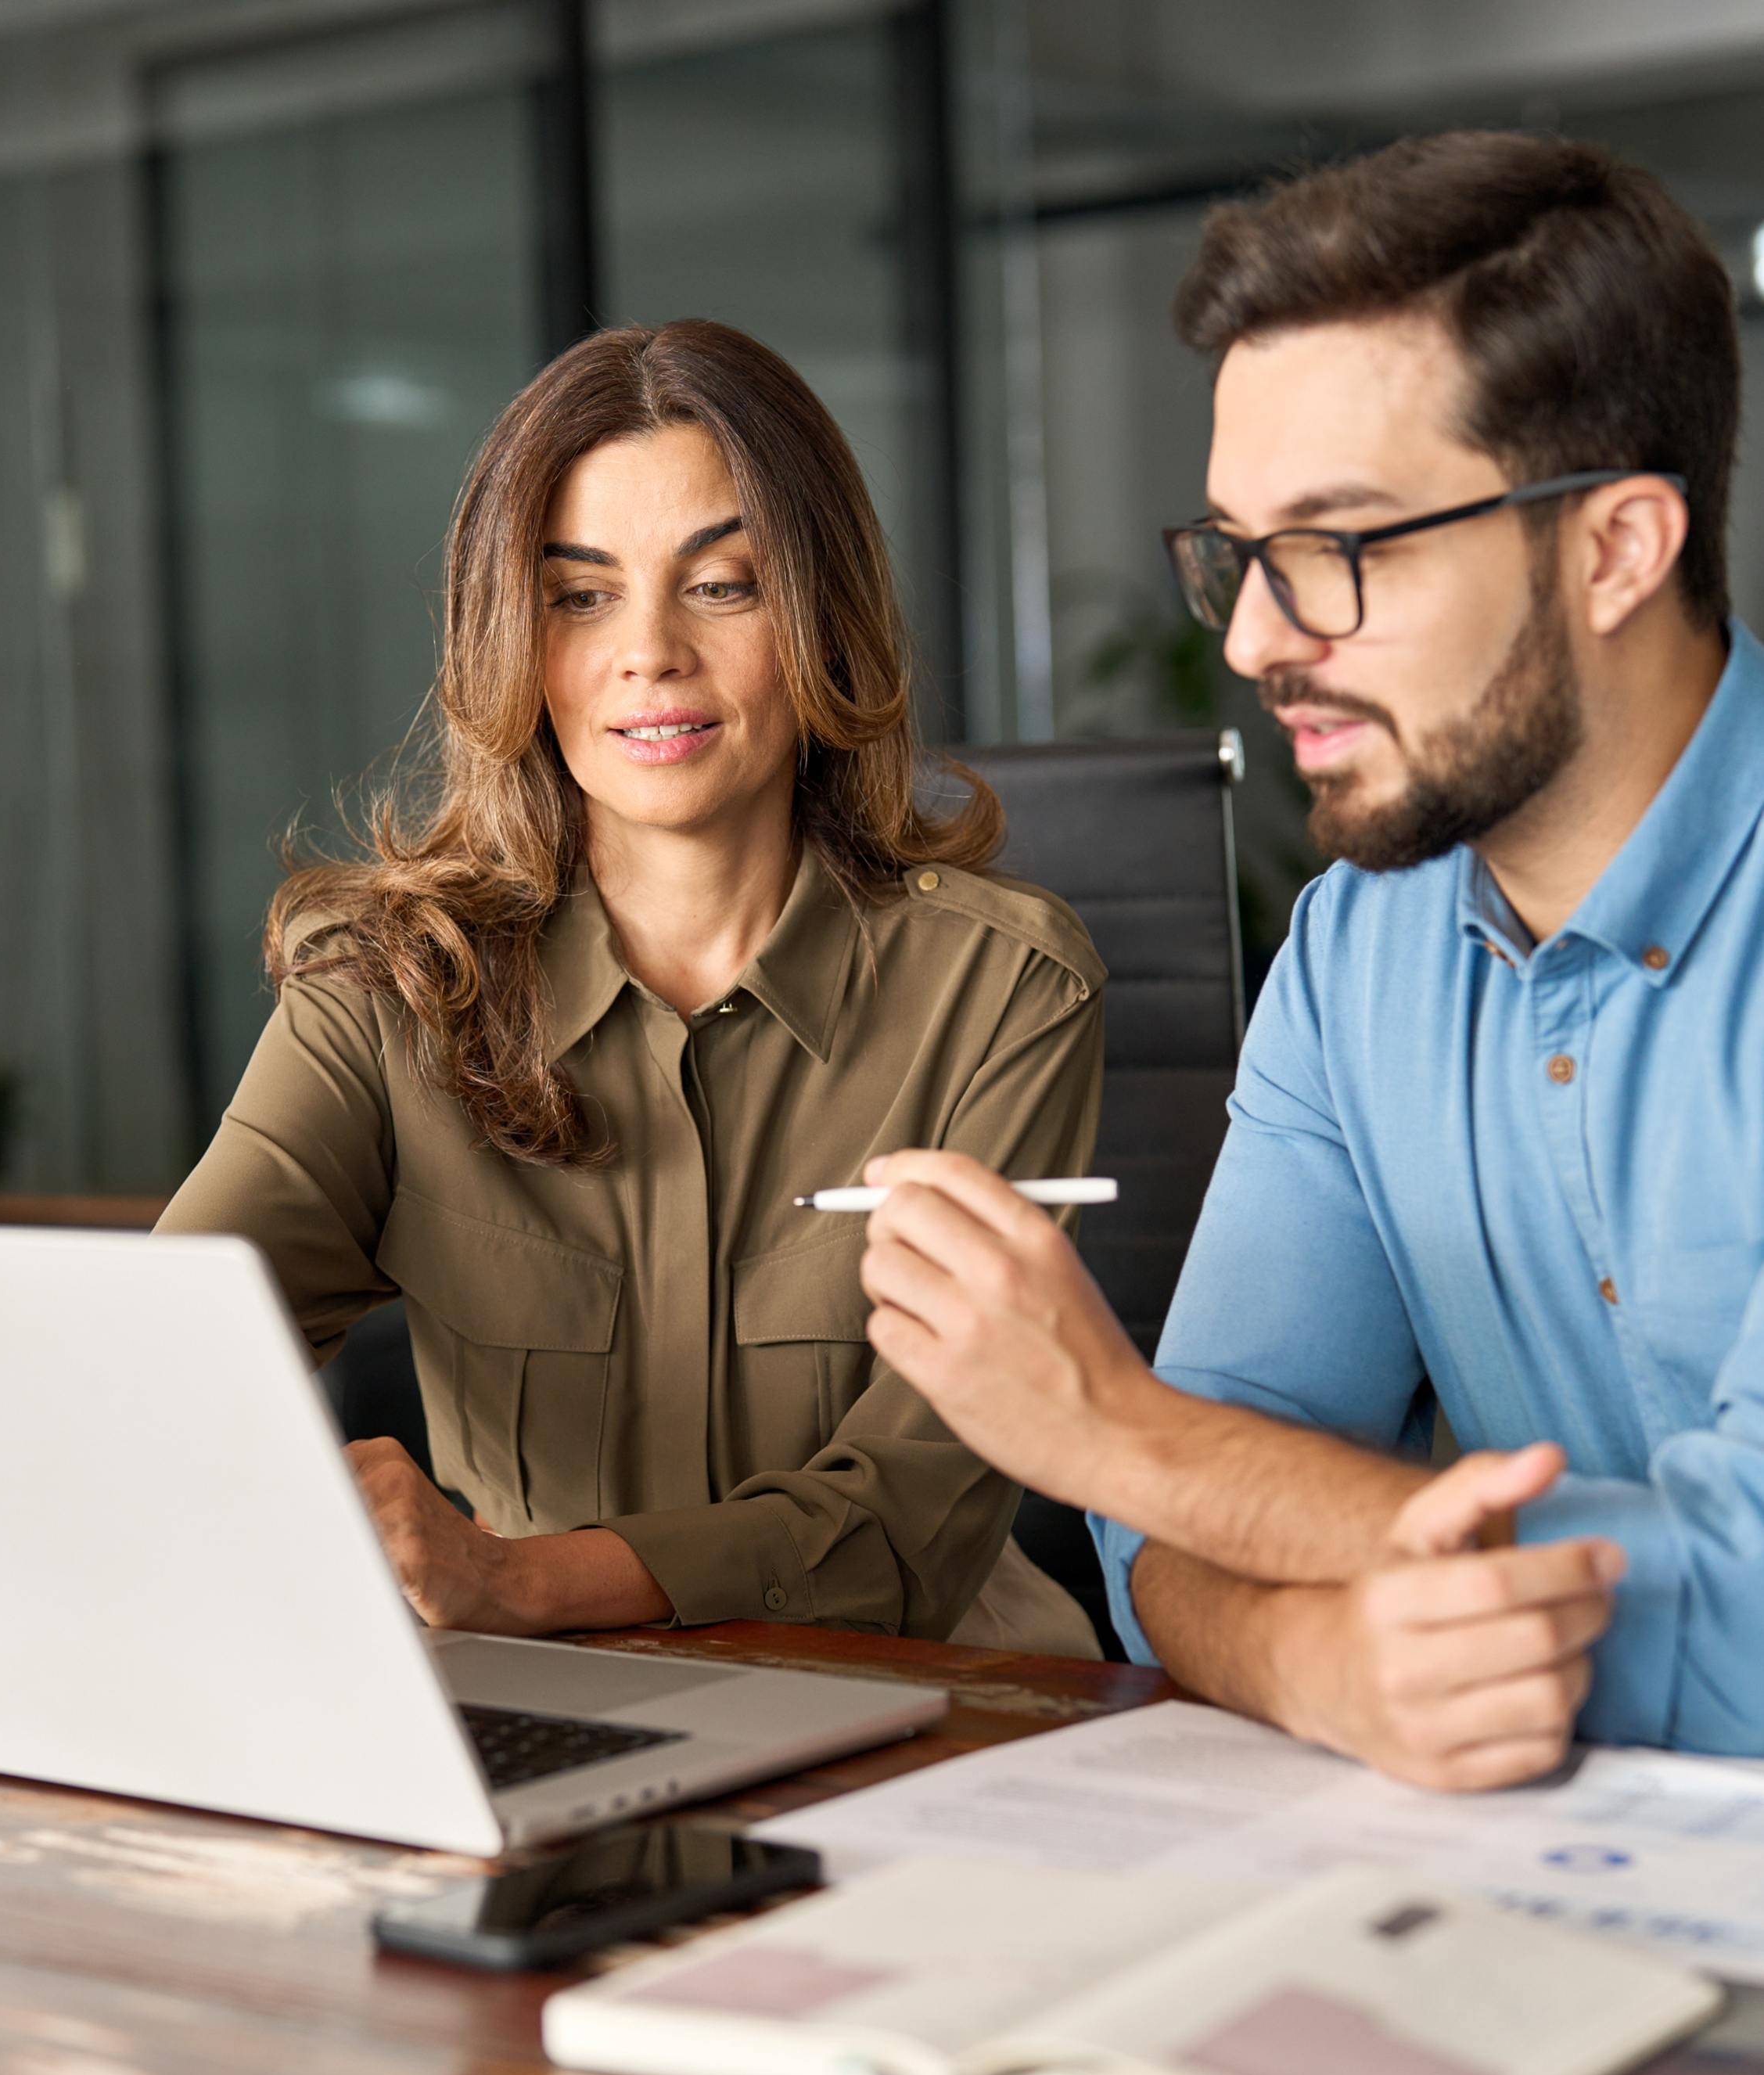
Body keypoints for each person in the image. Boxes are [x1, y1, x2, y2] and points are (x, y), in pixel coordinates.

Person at [855, 130, 1764, 1788]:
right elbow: (1176, 1535)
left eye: (1342, 548)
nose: (1259, 639)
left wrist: (1118, 1433)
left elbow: (1755, 1611)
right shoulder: (1364, 944)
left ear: (1618, 549)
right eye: (1235, 553)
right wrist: (1316, 1660)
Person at [157, 319, 1107, 1654]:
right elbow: (164, 1354)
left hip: (931, 1709)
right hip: (542, 1721)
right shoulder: (382, 995)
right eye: (580, 595)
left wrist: (519, 1582)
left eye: (722, 585)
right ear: (512, 635)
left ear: (819, 613)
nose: (648, 652)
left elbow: (913, 1512)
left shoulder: (1001, 989)